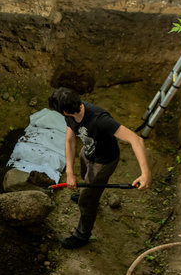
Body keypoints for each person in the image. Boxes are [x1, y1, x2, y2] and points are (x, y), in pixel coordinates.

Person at [48, 87, 151, 249]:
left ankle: (82, 235)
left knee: (86, 201)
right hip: (87, 153)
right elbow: (70, 140)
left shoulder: (99, 119)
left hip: (103, 162)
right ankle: (89, 194)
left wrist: (145, 173)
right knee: (85, 181)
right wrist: (69, 172)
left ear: (66, 112)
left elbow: (136, 139)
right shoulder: (72, 115)